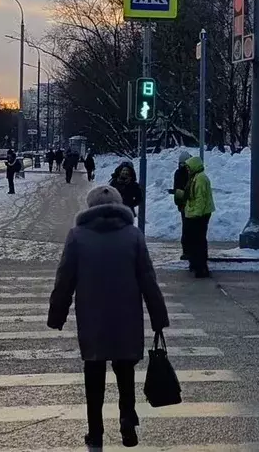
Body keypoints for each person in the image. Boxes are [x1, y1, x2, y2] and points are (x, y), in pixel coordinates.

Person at [47, 185, 169, 450]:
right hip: (126, 318)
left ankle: (96, 433)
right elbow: (148, 279)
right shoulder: (134, 235)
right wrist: (159, 316)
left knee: (94, 376)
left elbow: (65, 278)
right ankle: (127, 417)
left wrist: (57, 313)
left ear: (90, 208)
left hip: (92, 320)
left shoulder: (77, 236)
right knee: (125, 372)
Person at [180, 156, 215, 278]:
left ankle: (200, 267)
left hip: (199, 215)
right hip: (196, 213)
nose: (188, 170)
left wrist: (196, 214)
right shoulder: (196, 177)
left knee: (198, 241)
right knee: (196, 240)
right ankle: (197, 264)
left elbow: (200, 198)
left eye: (189, 167)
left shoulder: (200, 179)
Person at [172, 151, 191, 261]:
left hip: (184, 204)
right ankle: (190, 250)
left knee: (186, 228)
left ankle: (186, 251)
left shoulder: (178, 173)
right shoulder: (191, 173)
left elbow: (177, 190)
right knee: (191, 228)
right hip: (190, 204)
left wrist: (179, 204)